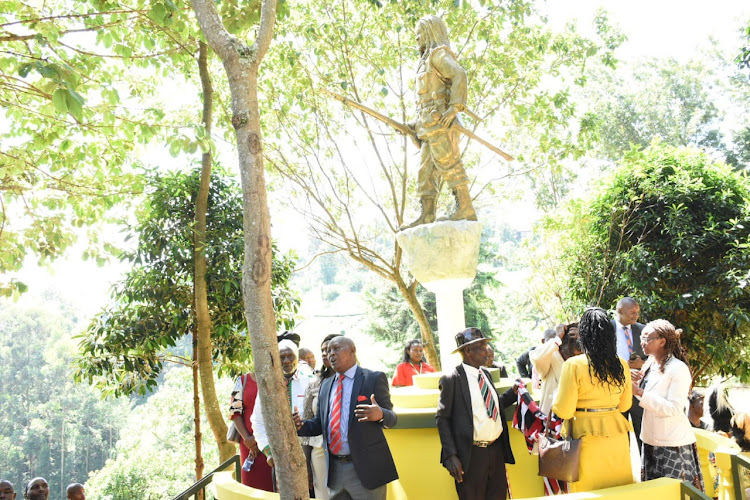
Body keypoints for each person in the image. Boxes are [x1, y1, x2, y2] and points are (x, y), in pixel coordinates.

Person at [294, 336, 398, 499]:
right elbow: (320, 424)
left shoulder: (373, 378)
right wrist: (302, 426)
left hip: (366, 470)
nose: (331, 354)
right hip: (334, 470)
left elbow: (392, 419)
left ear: (352, 350)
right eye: (328, 351)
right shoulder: (326, 385)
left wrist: (381, 414)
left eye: (336, 349)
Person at [402, 15, 475, 228]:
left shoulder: (438, 55)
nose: (417, 37)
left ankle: (465, 207)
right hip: (428, 126)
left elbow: (459, 74)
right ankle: (427, 214)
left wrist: (454, 109)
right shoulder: (425, 61)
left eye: (421, 32)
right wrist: (414, 126)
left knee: (449, 164)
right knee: (425, 171)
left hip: (442, 124)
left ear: (431, 32)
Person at [551, 307, 633, 493]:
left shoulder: (574, 364)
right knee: (620, 492)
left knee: (589, 492)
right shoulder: (621, 364)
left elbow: (564, 410)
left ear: (585, 335)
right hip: (617, 436)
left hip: (585, 439)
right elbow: (625, 405)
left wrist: (556, 398)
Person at [436, 327, 516, 500]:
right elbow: (442, 418)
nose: (487, 351)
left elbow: (491, 407)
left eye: (486, 345)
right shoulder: (452, 379)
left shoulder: (485, 374)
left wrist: (513, 393)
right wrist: (451, 455)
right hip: (471, 456)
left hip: (495, 451)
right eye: (482, 346)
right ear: (468, 351)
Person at [631, 319, 704, 490]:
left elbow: (674, 408)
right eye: (641, 338)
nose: (642, 343)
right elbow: (648, 397)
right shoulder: (650, 363)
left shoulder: (677, 368)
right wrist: (636, 382)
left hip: (672, 444)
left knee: (677, 492)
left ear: (662, 341)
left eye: (647, 338)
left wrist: (639, 392)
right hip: (650, 439)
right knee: (656, 492)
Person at [251, 339, 314, 470]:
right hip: (279, 453)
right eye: (282, 357)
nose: (286, 361)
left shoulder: (310, 381)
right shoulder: (267, 387)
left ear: (298, 357)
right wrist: (269, 452)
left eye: (290, 355)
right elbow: (258, 422)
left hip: (310, 451)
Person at [300, 334, 342, 500]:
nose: (326, 353)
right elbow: (308, 424)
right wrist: (307, 466)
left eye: (331, 349)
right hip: (320, 451)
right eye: (323, 350)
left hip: (351, 453)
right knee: (323, 494)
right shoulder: (314, 383)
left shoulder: (359, 379)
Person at [612, 297, 646, 451]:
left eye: (637, 312)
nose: (636, 315)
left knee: (643, 434)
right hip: (616, 391)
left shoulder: (643, 330)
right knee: (619, 434)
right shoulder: (606, 330)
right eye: (632, 312)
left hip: (640, 391)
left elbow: (655, 359)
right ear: (620, 311)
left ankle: (647, 472)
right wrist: (623, 371)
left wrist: (642, 365)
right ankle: (623, 470)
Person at [228, 372, 273, 490]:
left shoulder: (278, 379)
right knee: (252, 484)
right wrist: (247, 438)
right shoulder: (242, 381)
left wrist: (261, 439)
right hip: (249, 445)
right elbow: (234, 412)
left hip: (272, 443)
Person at [530, 323, 578, 415]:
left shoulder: (584, 359)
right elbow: (536, 357)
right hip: (551, 418)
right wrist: (558, 337)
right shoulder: (552, 356)